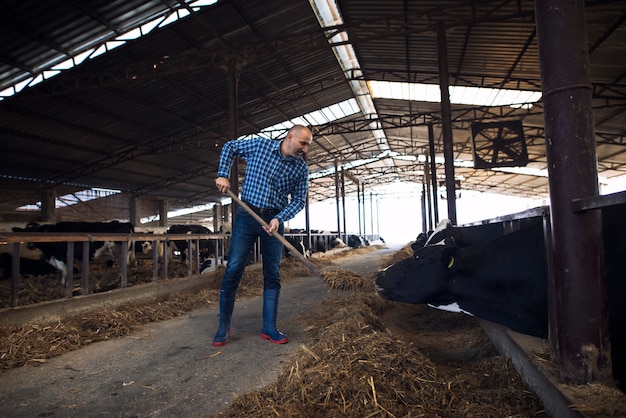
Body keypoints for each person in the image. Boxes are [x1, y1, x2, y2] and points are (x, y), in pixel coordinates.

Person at [212, 124, 313, 346]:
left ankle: (269, 327)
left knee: (273, 272)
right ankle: (223, 326)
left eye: (307, 145)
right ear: (289, 138)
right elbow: (230, 147)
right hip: (247, 215)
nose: (305, 150)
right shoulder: (259, 145)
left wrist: (279, 218)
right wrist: (223, 175)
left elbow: (298, 201)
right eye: (302, 143)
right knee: (234, 267)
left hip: (275, 220)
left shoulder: (300, 169)